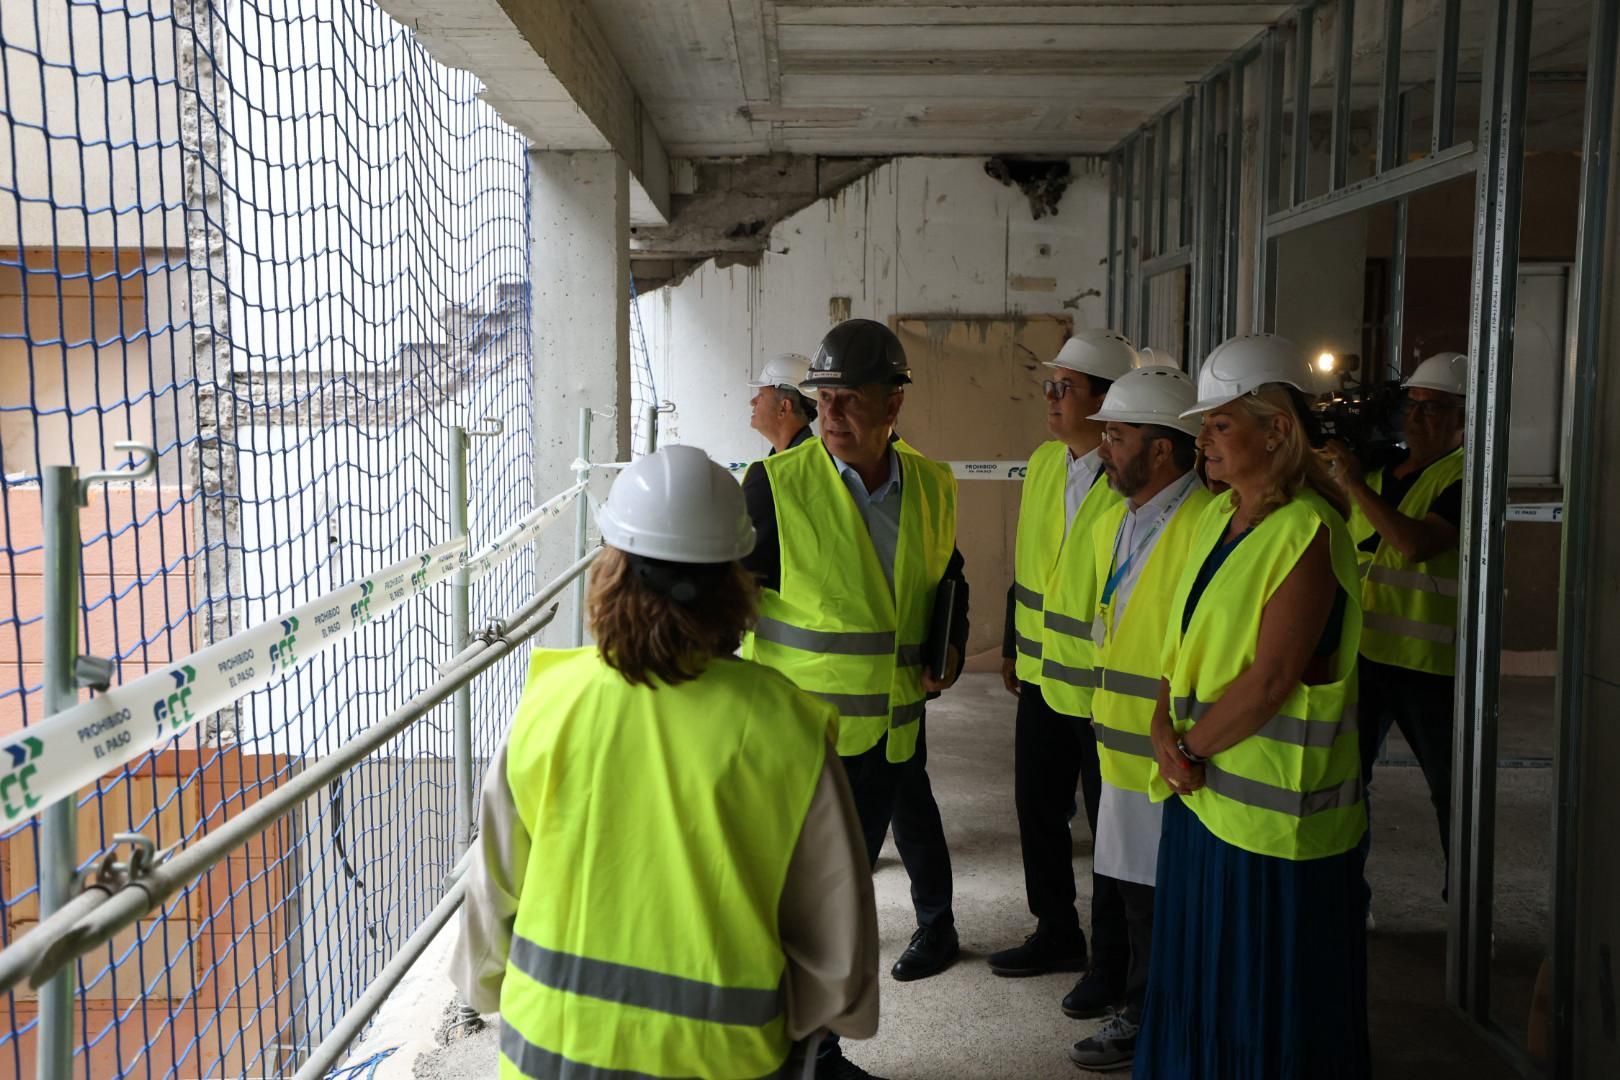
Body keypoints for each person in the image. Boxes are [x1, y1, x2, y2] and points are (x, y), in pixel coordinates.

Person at [450, 445, 879, 1080]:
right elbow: (837, 961)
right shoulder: (787, 729)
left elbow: (492, 894)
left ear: (611, 568)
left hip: (548, 1053)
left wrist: (485, 987)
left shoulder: (548, 706)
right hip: (723, 1062)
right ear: (736, 580)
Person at [740, 317, 968, 1080]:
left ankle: (818, 1055)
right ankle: (771, 1058)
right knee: (780, 914)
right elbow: (725, 610)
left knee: (837, 918)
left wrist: (954, 644)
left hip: (886, 750)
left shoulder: (932, 486)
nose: (830, 414)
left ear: (893, 404)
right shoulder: (773, 486)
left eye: (848, 399)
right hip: (796, 752)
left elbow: (949, 577)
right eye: (823, 398)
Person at [1137, 334, 1369, 1079]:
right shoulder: (1216, 517)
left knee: (1260, 1006)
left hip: (1274, 830)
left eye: (1220, 422)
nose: (1201, 437)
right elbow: (1184, 647)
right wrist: (1160, 725)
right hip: (1205, 803)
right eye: (1202, 423)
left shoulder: (1308, 531)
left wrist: (1189, 750)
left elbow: (1272, 681)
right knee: (1199, 987)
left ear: (1277, 430)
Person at [1066, 366, 1212, 1072]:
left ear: (1162, 450)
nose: (1102, 449)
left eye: (1116, 436)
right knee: (1132, 894)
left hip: (1171, 753)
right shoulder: (1125, 516)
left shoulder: (1203, 524)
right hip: (1123, 748)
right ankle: (1144, 1008)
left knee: (1162, 901)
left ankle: (1152, 1017)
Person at [989, 330, 1135, 1007]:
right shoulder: (1046, 463)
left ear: (1105, 402)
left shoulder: (1132, 476)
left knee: (1108, 830)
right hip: (1045, 679)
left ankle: (1112, 962)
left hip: (1105, 691)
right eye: (1050, 386)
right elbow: (1031, 564)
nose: (1049, 397)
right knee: (1037, 809)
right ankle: (1055, 928)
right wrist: (1016, 647)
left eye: (1064, 387)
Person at [1326, 352, 1467, 914]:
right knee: (1344, 788)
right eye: (1415, 405)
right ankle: (1345, 901)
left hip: (1431, 667)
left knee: (1451, 794)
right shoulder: (1383, 470)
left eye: (1436, 409)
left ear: (1463, 419)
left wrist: (1356, 485)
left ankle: (1465, 912)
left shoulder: (1463, 478)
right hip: (1366, 658)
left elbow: (1414, 544)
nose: (1419, 417)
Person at [750, 352, 819, 454]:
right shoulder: (808, 455)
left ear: (784, 407)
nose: (752, 402)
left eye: (761, 395)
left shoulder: (806, 460)